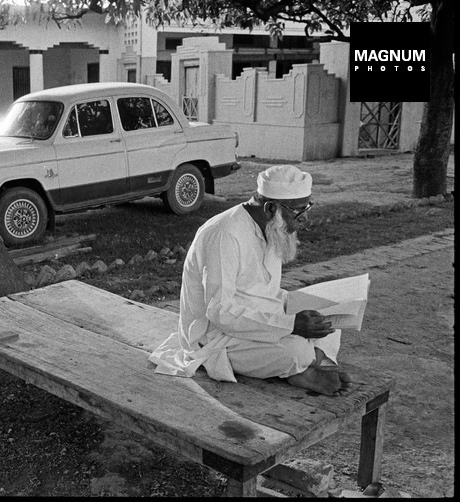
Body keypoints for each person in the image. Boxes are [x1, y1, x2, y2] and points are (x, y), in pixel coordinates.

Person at [148, 165, 352, 396]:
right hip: (216, 334)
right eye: (298, 211)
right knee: (295, 351)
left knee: (330, 320)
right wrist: (291, 325)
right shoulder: (224, 234)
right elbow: (219, 312)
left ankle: (312, 362)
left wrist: (306, 305)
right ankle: (307, 365)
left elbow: (262, 290)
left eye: (307, 207)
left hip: (259, 315)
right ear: (270, 208)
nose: (304, 218)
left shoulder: (273, 227)